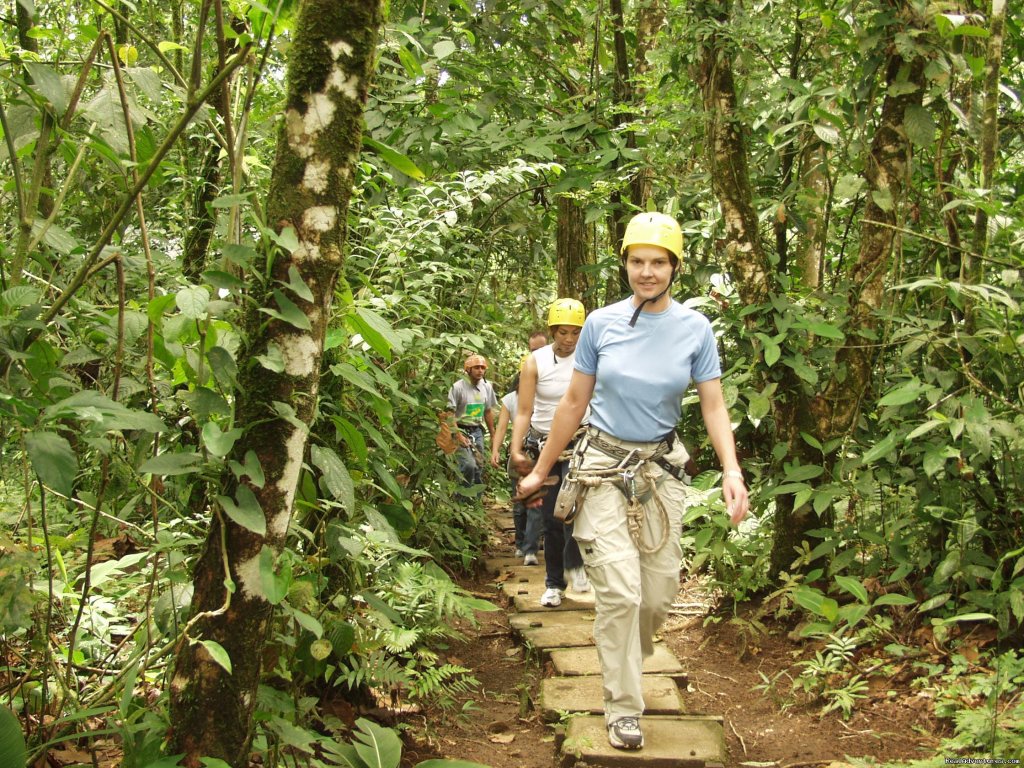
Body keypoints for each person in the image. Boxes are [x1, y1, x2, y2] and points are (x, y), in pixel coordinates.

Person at [516, 211, 749, 751]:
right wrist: (543, 469)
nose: (647, 272)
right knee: (619, 594)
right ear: (625, 264)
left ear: (674, 268)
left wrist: (731, 469)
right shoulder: (600, 323)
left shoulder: (696, 328)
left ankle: (627, 656)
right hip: (600, 467)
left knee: (658, 592)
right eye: (637, 261)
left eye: (658, 262)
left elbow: (713, 404)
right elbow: (574, 402)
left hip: (661, 470)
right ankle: (624, 706)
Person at [511, 298, 591, 607]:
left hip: (580, 446)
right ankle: (555, 583)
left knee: (574, 512)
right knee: (551, 519)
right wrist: (516, 448)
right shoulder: (535, 362)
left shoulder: (589, 357)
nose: (569, 339)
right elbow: (524, 410)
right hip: (544, 447)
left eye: (575, 333)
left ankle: (576, 566)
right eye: (563, 333)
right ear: (552, 331)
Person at [490, 374, 542, 564]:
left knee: (536, 503)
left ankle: (530, 549)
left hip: (539, 454)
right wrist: (495, 449)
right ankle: (521, 544)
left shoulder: (543, 396)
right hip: (519, 456)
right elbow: (502, 427)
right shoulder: (510, 400)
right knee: (520, 504)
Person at [446, 353, 497, 496]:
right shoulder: (457, 387)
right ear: (468, 369)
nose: (480, 370)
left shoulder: (487, 386)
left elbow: (487, 411)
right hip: (460, 429)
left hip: (477, 431)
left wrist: (493, 434)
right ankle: (461, 500)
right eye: (476, 367)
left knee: (479, 465)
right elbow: (450, 414)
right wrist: (458, 435)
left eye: (482, 367)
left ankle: (475, 503)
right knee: (468, 465)